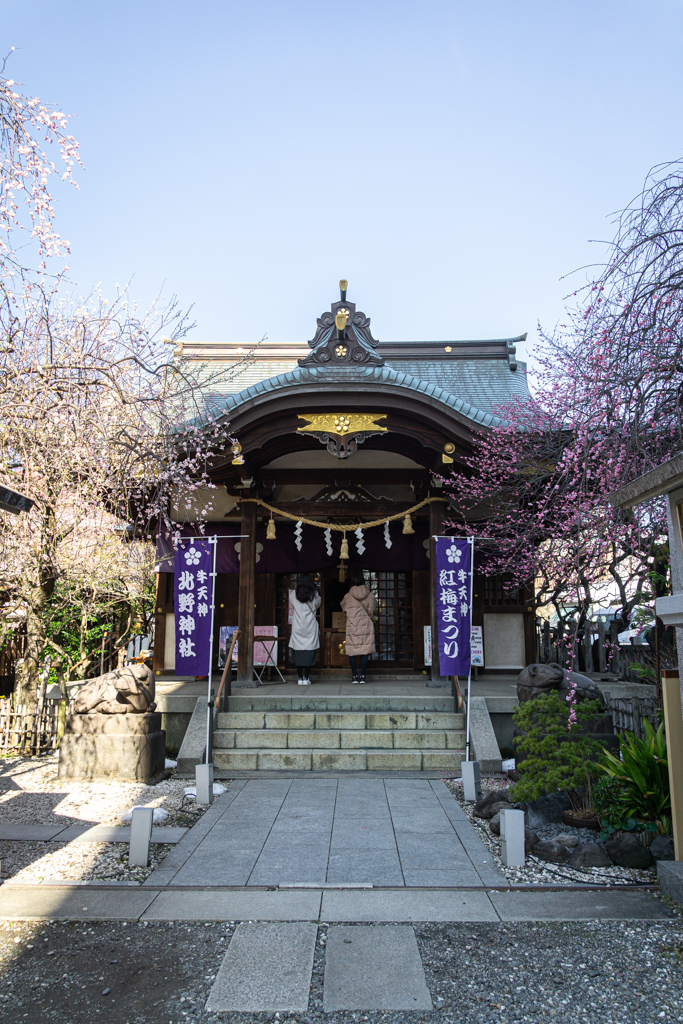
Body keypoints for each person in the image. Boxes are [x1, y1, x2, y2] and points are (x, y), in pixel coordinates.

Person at [341, 573, 377, 684]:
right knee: (364, 652)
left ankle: (354, 676)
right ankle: (362, 676)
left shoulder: (347, 596)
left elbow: (343, 608)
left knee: (352, 651)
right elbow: (372, 610)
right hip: (365, 625)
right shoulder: (370, 595)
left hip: (353, 625)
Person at [288, 573, 321, 686]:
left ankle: (300, 678)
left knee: (298, 651)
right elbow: (318, 604)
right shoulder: (314, 594)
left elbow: (292, 604)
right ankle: (306, 677)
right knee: (309, 650)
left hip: (298, 625)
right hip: (310, 625)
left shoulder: (293, 594)